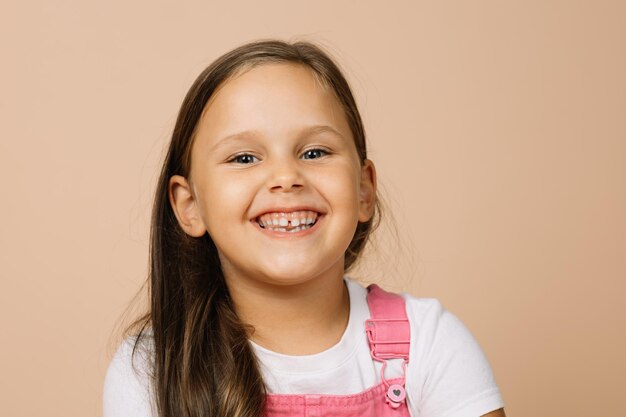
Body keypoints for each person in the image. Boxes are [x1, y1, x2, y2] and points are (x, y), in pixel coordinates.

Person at [103, 39, 506, 417]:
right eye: (244, 158)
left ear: (364, 189)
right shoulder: (152, 367)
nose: (285, 177)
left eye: (315, 152)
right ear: (190, 206)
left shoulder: (429, 343)